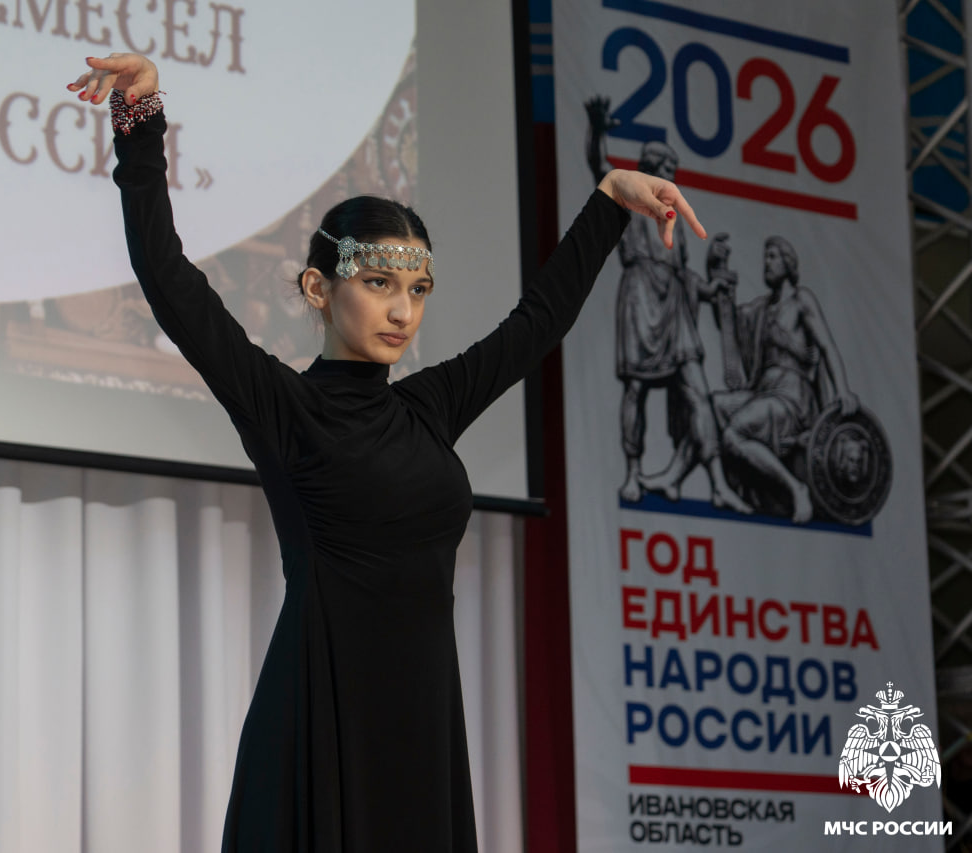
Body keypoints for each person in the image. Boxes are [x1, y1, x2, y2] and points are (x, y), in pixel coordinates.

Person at [69, 53, 708, 852]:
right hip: (322, 715)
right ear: (318, 288)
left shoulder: (430, 406)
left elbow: (537, 322)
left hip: (423, 724)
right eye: (378, 283)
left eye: (417, 290)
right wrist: (139, 121)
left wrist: (610, 199)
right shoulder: (287, 410)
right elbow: (167, 277)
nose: (403, 311)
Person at [584, 99, 750, 512]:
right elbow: (598, 164)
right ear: (651, 169)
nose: (673, 178)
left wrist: (709, 289)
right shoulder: (627, 198)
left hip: (674, 306)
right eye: (668, 170)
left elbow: (683, 272)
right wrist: (597, 128)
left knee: (698, 392)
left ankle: (717, 482)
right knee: (636, 390)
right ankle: (632, 472)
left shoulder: (674, 217)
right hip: (640, 299)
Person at [712, 237, 859, 523]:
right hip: (763, 391)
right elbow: (728, 322)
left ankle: (796, 488)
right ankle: (727, 485)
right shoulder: (761, 308)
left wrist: (843, 390)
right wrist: (717, 270)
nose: (766, 263)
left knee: (733, 435)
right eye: (765, 257)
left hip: (791, 396)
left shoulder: (801, 300)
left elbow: (827, 346)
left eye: (773, 257)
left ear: (788, 263)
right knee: (713, 405)